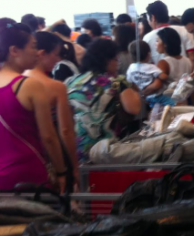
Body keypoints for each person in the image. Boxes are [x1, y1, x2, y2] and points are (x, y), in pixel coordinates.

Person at [0, 22, 67, 190]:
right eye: (33, 46)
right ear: (14, 51)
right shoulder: (29, 85)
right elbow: (48, 137)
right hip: (28, 172)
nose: (37, 53)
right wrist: (61, 172)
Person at [66, 39, 142, 164]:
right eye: (116, 60)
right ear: (107, 60)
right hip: (106, 149)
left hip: (79, 149)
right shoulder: (115, 82)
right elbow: (134, 108)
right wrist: (134, 90)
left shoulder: (71, 81)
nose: (118, 64)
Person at [25, 32, 80, 188]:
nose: (58, 60)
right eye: (56, 54)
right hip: (55, 154)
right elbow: (65, 131)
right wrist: (74, 166)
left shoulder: (16, 82)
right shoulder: (56, 87)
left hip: (27, 154)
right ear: (42, 54)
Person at [144, 1, 194, 66]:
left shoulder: (147, 38)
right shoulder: (185, 30)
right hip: (186, 71)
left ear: (153, 17)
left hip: (161, 71)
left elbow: (148, 64)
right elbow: (193, 58)